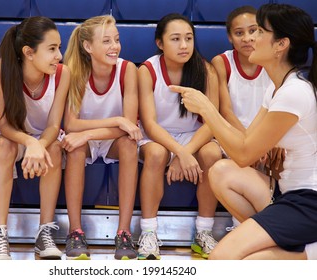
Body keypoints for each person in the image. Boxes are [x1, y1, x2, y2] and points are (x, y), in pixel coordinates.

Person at [170, 3, 317, 260]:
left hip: (308, 202)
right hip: (287, 194)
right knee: (221, 171)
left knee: (223, 258)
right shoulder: (277, 88)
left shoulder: (294, 92)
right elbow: (246, 141)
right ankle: (293, 246)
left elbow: (244, 154)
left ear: (281, 45)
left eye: (259, 31)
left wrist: (207, 109)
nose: (251, 39)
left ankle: (305, 253)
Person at [136, 13, 221, 260]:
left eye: (188, 38)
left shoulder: (206, 70)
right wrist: (180, 153)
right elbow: (150, 124)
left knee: (212, 153)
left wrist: (187, 151)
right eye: (175, 39)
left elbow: (212, 123)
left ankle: (203, 233)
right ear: (160, 43)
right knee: (155, 153)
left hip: (194, 136)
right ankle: (149, 233)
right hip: (158, 136)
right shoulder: (147, 69)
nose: (184, 45)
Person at [0, 16, 69, 260]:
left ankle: (44, 234)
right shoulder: (2, 68)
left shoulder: (64, 74)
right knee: (4, 146)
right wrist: (30, 142)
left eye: (59, 48)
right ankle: (0, 235)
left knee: (53, 149)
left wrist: (39, 144)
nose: (59, 56)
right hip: (13, 135)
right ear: (29, 52)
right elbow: (5, 124)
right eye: (52, 49)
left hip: (45, 136)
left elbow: (54, 125)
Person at [62, 15, 142, 260]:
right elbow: (70, 123)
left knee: (129, 145)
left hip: (112, 140)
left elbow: (129, 127)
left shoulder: (128, 70)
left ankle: (124, 232)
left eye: (116, 40)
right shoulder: (74, 71)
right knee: (75, 149)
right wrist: (116, 120)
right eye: (106, 41)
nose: (114, 46)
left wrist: (88, 133)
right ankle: (75, 232)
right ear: (88, 47)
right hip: (84, 141)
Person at [211, 5, 273, 230]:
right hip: (232, 134)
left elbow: (275, 107)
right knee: (225, 159)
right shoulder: (222, 62)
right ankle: (236, 224)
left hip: (265, 135)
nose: (247, 38)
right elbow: (225, 110)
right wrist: (250, 143)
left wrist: (259, 143)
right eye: (239, 33)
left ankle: (259, 225)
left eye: (253, 31)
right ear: (230, 37)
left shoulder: (271, 60)